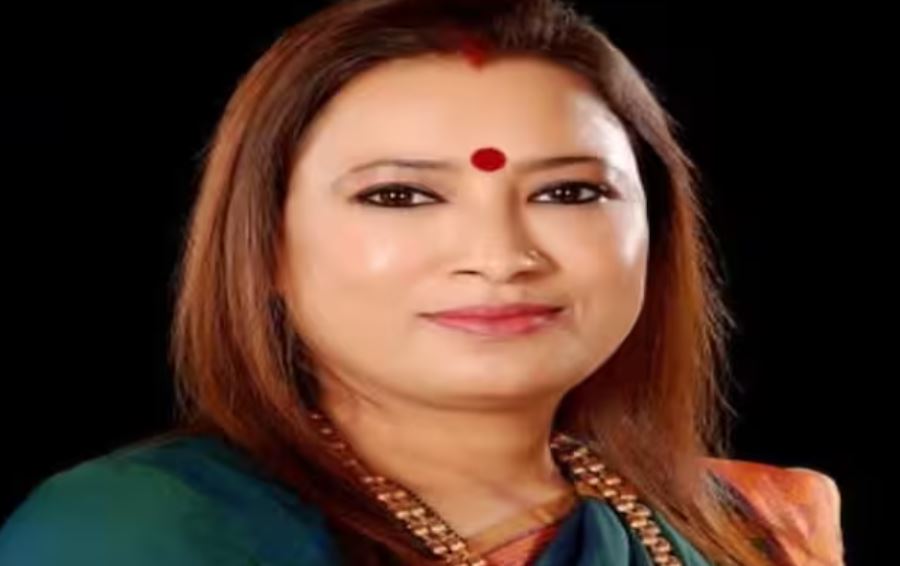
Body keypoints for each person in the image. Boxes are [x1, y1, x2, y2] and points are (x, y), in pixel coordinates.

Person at [0, 0, 844, 564]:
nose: (500, 255)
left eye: (568, 193)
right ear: (266, 249)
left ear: (653, 235)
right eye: (400, 196)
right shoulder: (135, 530)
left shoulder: (758, 525)